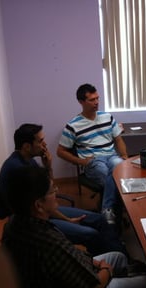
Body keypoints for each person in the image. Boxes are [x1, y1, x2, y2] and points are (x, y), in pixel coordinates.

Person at [2, 166, 146, 288]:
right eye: (52, 191)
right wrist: (106, 269)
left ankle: (130, 282)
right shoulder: (47, 242)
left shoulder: (15, 225)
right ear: (38, 205)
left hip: (60, 285)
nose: (57, 192)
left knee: (118, 256)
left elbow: (69, 258)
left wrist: (92, 261)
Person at [0, 123, 126, 256]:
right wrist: (67, 220)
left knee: (101, 220)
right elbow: (42, 205)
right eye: (41, 141)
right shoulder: (18, 169)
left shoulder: (27, 160)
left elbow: (48, 190)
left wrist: (48, 166)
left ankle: (118, 253)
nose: (45, 144)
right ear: (26, 146)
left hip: (44, 210)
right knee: (91, 234)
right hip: (35, 222)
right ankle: (109, 263)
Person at [57, 83, 128, 224]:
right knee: (109, 174)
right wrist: (81, 162)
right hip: (94, 160)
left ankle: (107, 210)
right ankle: (122, 209)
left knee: (120, 168)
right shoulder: (73, 125)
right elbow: (60, 151)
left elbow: (118, 139)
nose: (96, 103)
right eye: (92, 100)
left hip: (112, 156)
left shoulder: (107, 117)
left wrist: (124, 156)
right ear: (81, 102)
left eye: (97, 98)